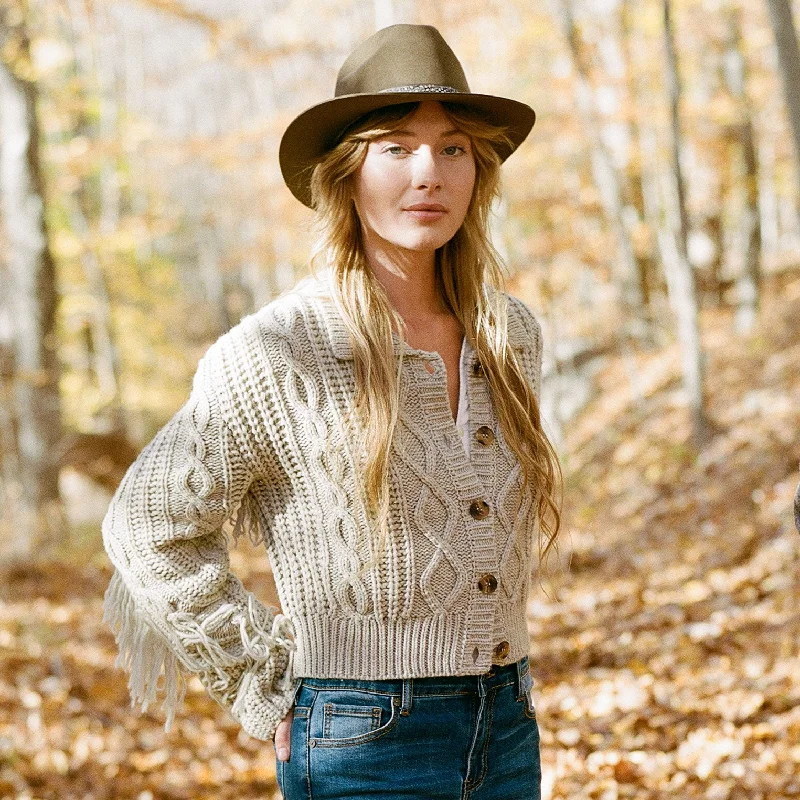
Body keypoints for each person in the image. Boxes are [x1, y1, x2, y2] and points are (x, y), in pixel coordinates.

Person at [101, 23, 563, 800]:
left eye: (454, 148)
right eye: (396, 147)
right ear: (346, 174)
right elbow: (146, 527)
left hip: (508, 721)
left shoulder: (509, 332)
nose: (430, 173)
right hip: (361, 738)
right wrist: (262, 676)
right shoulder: (278, 350)